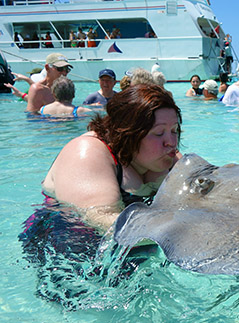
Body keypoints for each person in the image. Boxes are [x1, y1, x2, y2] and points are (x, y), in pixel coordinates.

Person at [41, 84, 182, 230]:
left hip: (142, 237)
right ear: (128, 134)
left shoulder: (167, 154)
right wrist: (178, 225)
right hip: (67, 238)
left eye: (174, 130)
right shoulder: (87, 152)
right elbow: (101, 220)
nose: (171, 142)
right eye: (159, 133)